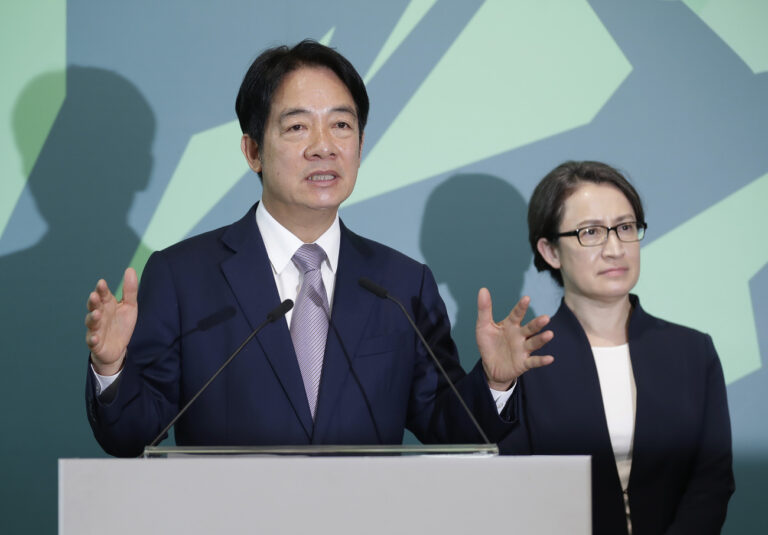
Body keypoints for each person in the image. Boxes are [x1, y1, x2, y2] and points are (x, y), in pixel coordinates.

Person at [84, 40, 554, 457]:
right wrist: (110, 368)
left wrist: (495, 382)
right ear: (252, 151)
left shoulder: (400, 285)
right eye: (297, 128)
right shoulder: (183, 276)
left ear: (361, 144)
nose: (324, 147)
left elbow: (449, 429)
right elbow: (132, 437)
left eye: (342, 126)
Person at [500, 161, 734, 534]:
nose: (615, 248)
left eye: (625, 228)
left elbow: (712, 479)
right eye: (591, 232)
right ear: (550, 251)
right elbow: (510, 489)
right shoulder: (524, 360)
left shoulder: (692, 351)